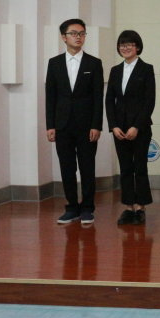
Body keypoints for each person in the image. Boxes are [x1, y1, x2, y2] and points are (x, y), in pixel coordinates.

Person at [45, 18, 104, 225]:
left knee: (87, 167)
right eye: (73, 33)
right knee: (67, 167)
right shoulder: (54, 63)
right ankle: (71, 207)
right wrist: (50, 125)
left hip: (87, 125)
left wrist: (96, 125)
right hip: (62, 125)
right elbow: (50, 96)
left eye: (81, 33)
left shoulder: (94, 63)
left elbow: (98, 97)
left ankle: (87, 208)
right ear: (64, 37)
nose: (78, 37)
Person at [105, 30, 155, 225]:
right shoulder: (115, 70)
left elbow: (149, 101)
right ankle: (128, 207)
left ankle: (141, 207)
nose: (125, 48)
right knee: (125, 168)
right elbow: (109, 100)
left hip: (140, 128)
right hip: (119, 128)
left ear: (138, 47)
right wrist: (113, 126)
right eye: (122, 45)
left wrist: (136, 126)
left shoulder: (146, 69)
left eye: (129, 44)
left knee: (140, 167)